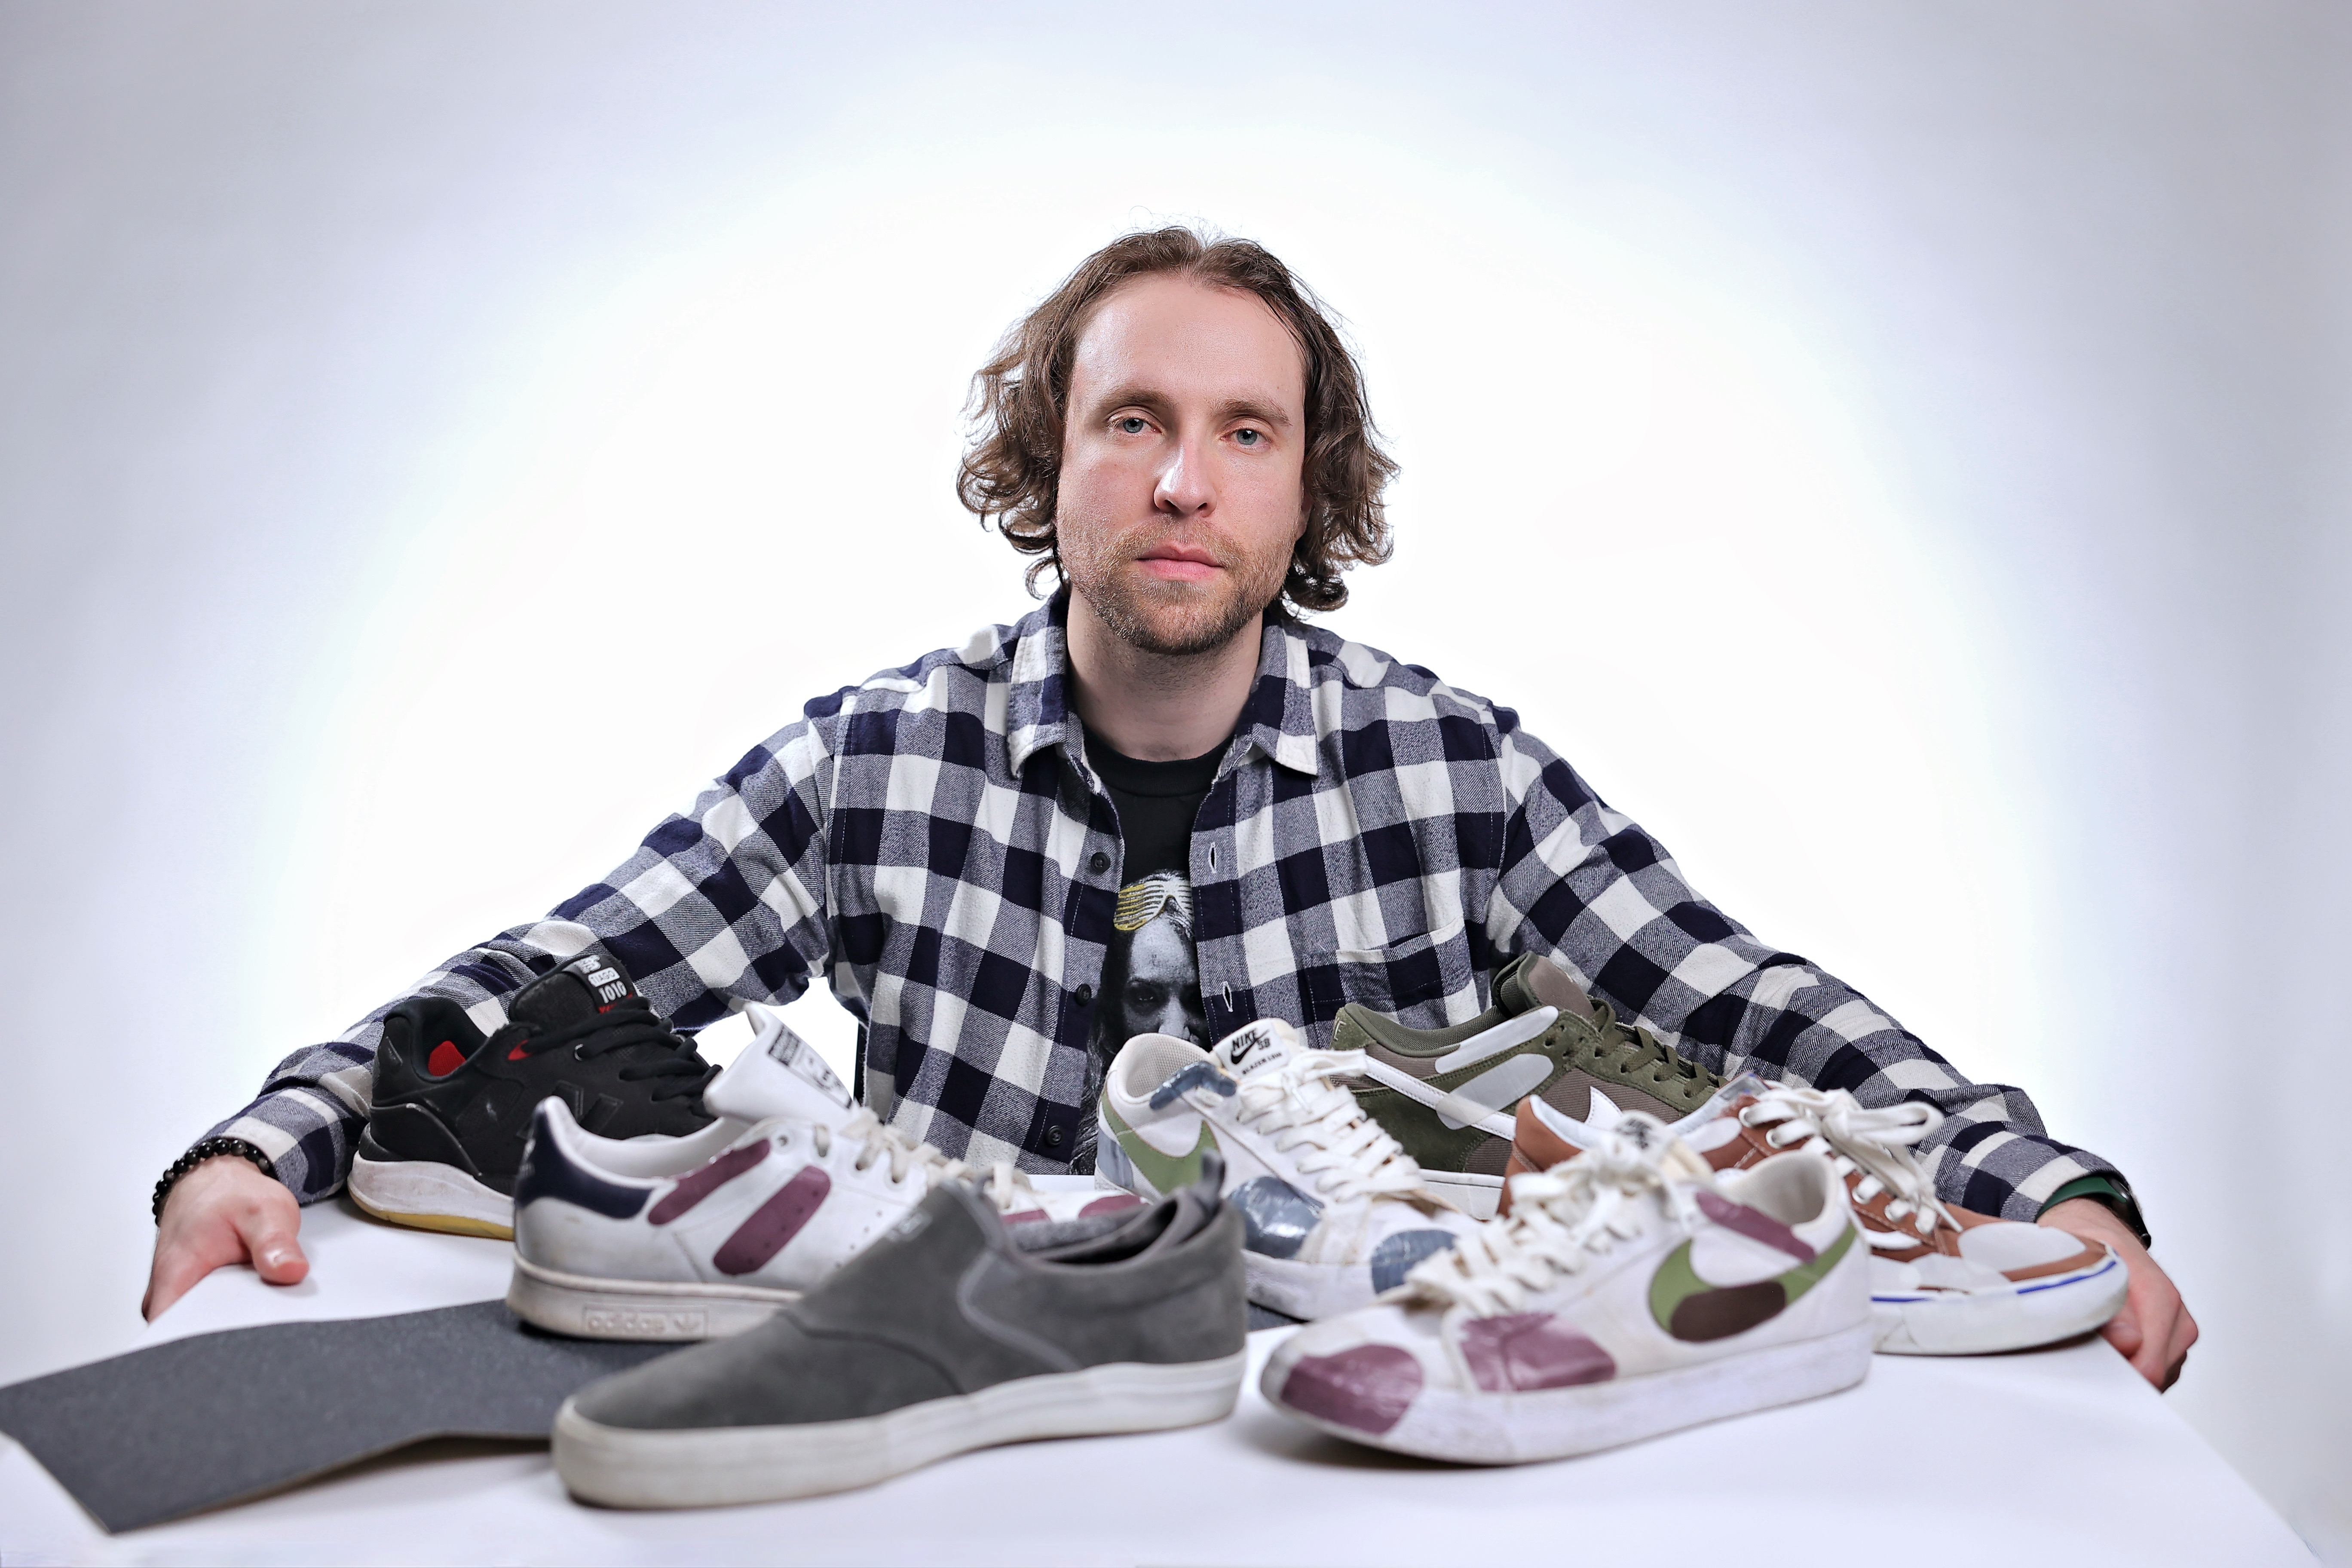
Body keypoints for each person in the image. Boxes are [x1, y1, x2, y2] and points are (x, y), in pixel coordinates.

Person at [144, 227, 2197, 1389]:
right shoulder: (877, 755)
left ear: (1313, 492)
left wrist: (2036, 1182)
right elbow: (560, 971)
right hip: (953, 1432)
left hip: (1353, 1439)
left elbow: (1731, 998)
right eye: (1134, 423)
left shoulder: (1451, 765)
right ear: (1052, 464)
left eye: (1245, 432)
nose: (1187, 481)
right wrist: (267, 1140)